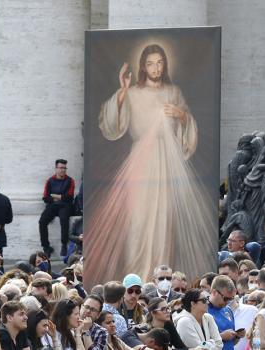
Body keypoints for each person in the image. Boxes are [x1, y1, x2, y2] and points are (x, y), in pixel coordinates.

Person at [86, 43, 217, 283]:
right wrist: (123, 91)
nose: (155, 68)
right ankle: (137, 277)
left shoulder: (173, 92)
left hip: (167, 161)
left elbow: (188, 124)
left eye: (159, 63)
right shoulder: (133, 93)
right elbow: (112, 125)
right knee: (138, 220)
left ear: (165, 64)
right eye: (150, 63)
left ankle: (160, 277)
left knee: (164, 223)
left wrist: (182, 116)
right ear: (143, 67)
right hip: (140, 161)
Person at [38, 159, 75, 257]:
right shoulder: (50, 181)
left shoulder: (70, 181)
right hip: (52, 206)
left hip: (65, 206)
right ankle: (46, 247)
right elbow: (45, 197)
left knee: (64, 219)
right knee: (42, 221)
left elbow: (69, 197)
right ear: (56, 168)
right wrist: (61, 197)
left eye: (64, 168)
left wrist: (54, 196)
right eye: (61, 168)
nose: (63, 170)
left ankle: (64, 244)